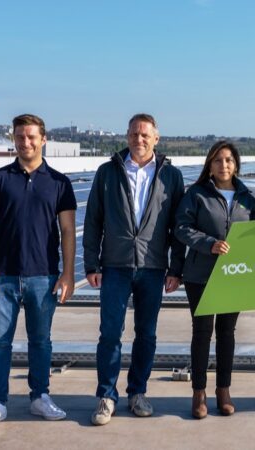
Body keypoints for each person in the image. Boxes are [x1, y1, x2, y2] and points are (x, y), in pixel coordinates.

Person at [0, 114, 77, 430]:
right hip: (2, 276)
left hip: (43, 276)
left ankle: (39, 397)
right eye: (20, 136)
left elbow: (68, 231)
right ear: (14, 139)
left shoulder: (59, 182)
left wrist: (69, 274)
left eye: (31, 136)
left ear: (43, 139)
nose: (25, 142)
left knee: (41, 341)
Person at [83, 113, 185, 425]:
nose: (138, 140)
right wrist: (91, 263)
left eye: (145, 135)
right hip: (115, 265)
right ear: (127, 136)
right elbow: (93, 221)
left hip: (153, 268)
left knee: (147, 335)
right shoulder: (107, 172)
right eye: (133, 134)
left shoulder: (171, 176)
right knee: (110, 334)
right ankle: (106, 396)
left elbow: (178, 227)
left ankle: (137, 392)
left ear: (156, 138)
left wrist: (175, 267)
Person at [175, 140, 255, 419]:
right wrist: (209, 243)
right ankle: (199, 393)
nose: (224, 165)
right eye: (218, 160)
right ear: (209, 165)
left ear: (236, 165)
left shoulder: (247, 198)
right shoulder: (197, 194)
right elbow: (181, 228)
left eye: (229, 160)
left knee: (227, 333)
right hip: (201, 274)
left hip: (234, 276)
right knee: (202, 333)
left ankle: (223, 390)